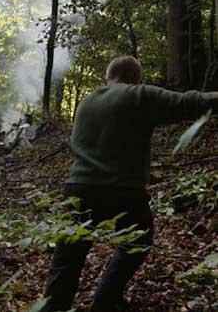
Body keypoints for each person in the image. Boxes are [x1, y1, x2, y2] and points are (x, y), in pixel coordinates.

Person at [42, 56, 218, 312]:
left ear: (109, 75)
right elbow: (189, 102)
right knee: (138, 241)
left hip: (77, 188)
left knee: (67, 259)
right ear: (135, 77)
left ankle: (53, 308)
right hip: (122, 191)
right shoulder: (138, 96)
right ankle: (105, 301)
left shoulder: (86, 102)